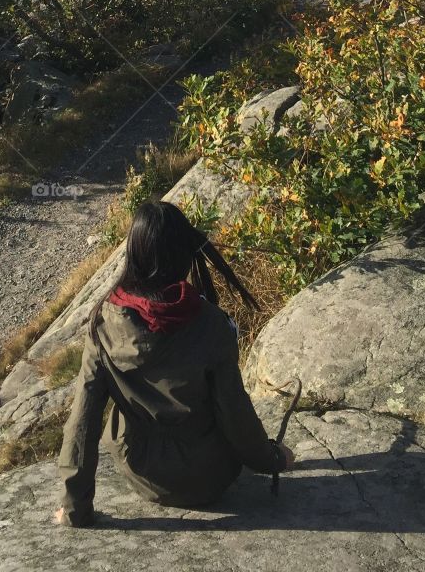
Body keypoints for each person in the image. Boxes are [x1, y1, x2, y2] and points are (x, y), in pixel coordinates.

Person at [55, 201, 294, 526]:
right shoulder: (211, 324)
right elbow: (235, 414)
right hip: (211, 477)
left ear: (134, 254)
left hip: (141, 473)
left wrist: (74, 510)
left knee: (111, 408)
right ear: (184, 255)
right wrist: (273, 459)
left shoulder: (103, 323)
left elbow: (82, 423)